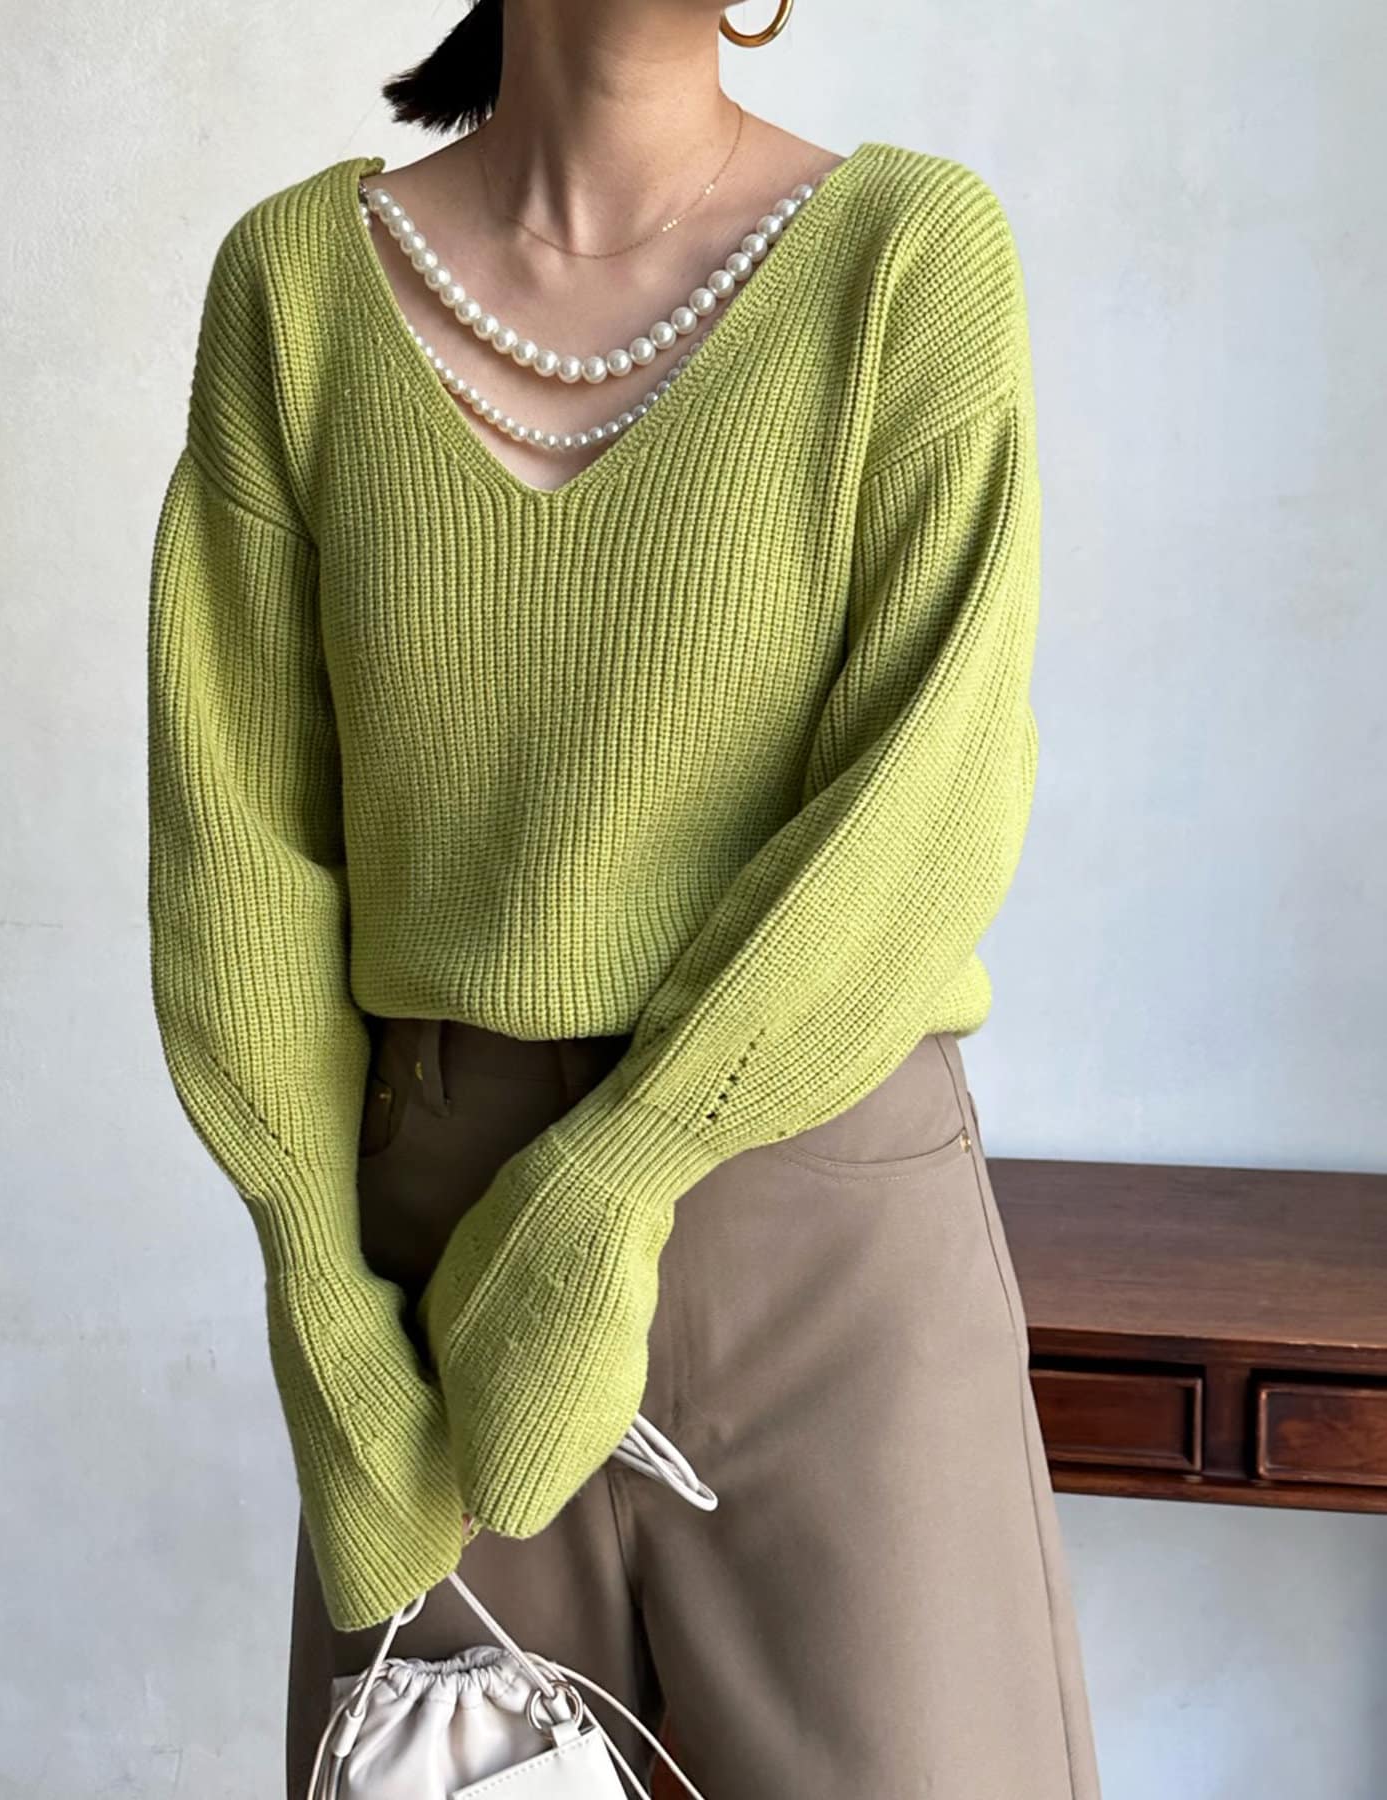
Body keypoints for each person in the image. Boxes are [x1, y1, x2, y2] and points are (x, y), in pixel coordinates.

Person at [146, 2, 1103, 1795]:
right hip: (428, 1268)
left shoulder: (908, 259)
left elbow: (931, 792)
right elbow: (238, 838)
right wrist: (318, 1294)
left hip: (813, 1215)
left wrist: (616, 1176)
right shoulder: (296, 286)